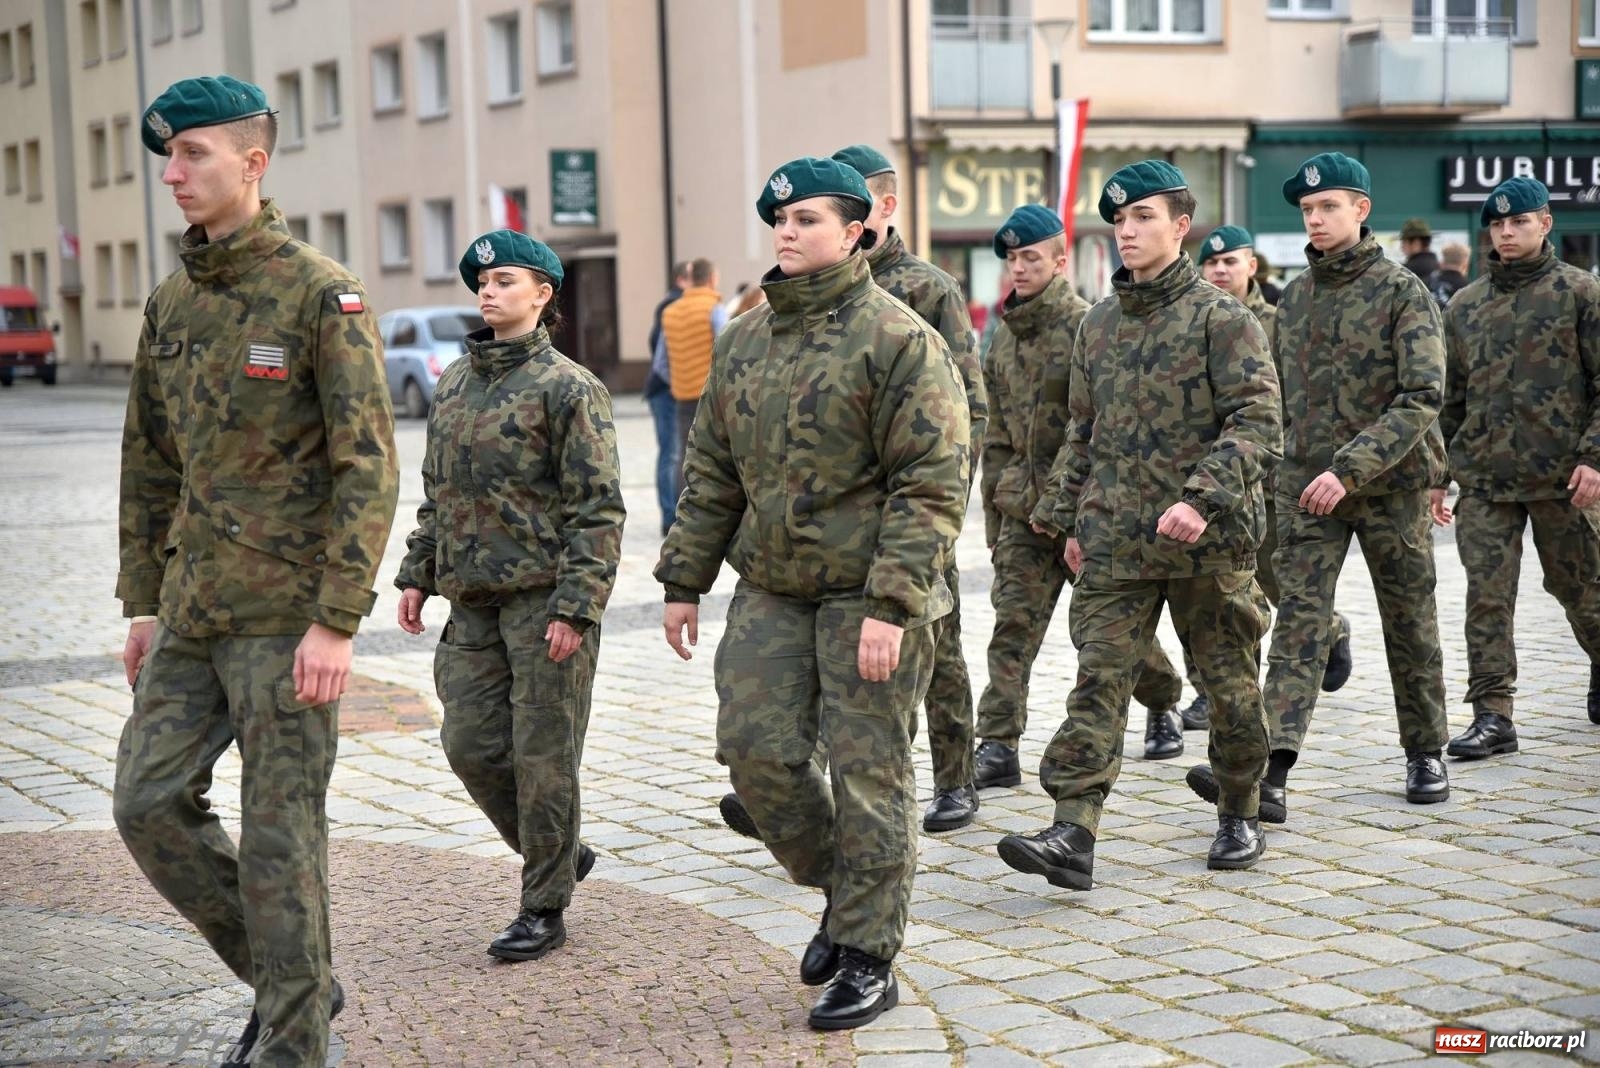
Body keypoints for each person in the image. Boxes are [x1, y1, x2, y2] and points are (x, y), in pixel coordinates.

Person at [113, 76, 398, 1068]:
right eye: (169, 155)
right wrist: (144, 604)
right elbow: (149, 462)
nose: (174, 172)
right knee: (145, 804)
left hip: (286, 618)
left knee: (281, 844)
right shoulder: (172, 300)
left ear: (253, 162)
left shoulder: (321, 292)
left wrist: (338, 619)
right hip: (192, 612)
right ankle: (299, 985)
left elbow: (368, 465)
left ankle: (292, 1043)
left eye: (194, 153)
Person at [657, 157, 968, 1030]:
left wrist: (894, 603)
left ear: (857, 229)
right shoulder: (747, 337)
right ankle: (846, 888)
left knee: (870, 773)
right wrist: (685, 577)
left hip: (868, 593)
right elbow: (713, 467)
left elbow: (933, 482)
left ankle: (868, 954)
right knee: (756, 756)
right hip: (773, 588)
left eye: (807, 221)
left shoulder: (898, 338)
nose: (787, 234)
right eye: (780, 222)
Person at [1000, 161, 1280, 889]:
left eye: (1143, 218)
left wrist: (1200, 497)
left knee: (1228, 686)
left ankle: (1240, 807)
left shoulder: (1225, 318)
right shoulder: (1097, 324)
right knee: (1098, 679)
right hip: (1115, 540)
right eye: (1118, 221)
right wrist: (1063, 518)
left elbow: (1257, 421)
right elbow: (1082, 432)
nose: (1127, 231)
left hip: (1207, 545)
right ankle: (1073, 829)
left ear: (1180, 227)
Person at [394, 229, 625, 962]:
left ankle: (544, 904)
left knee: (543, 756)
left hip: (543, 601)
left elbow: (599, 508)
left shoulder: (569, 388)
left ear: (543, 295)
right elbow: (440, 494)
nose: (489, 292)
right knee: (469, 744)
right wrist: (417, 571)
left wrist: (577, 605)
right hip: (472, 602)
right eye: (483, 282)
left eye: (506, 282)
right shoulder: (455, 382)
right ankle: (558, 850)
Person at [1254, 153, 1450, 818]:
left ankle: (1425, 749)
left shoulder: (1403, 292)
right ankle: (1273, 765)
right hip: (1309, 489)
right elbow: (1277, 397)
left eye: (1328, 206)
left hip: (1389, 488)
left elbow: (1422, 395)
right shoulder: (1296, 300)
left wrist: (1352, 467)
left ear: (1361, 211)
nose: (1315, 218)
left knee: (1409, 621)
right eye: (1308, 210)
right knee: (1299, 622)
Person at [973, 203, 1186, 790]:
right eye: (1012, 259)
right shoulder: (1002, 339)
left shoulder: (1088, 326)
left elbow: (1099, 429)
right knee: (1012, 626)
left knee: (1105, 634)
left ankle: (1164, 699)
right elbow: (997, 437)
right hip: (1022, 511)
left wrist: (1082, 514)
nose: (1019, 268)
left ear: (1060, 260)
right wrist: (995, 515)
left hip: (1084, 512)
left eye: (1031, 257)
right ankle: (996, 743)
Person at [1436, 178, 1600, 760]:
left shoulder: (1580, 293)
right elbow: (1449, 399)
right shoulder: (1465, 304)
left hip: (1564, 480)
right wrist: (1439, 474)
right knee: (1487, 596)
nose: (1507, 233)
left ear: (1545, 224)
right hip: (1485, 481)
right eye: (1498, 225)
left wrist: (1593, 458)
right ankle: (1492, 714)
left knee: (1580, 587)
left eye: (1519, 222)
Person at [1179, 226, 1353, 753]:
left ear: (1252, 264)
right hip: (1213, 479)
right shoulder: (1192, 320)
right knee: (1206, 589)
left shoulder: (1279, 321)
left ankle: (1331, 628)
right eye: (1210, 264)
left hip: (1276, 480)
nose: (1219, 271)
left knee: (1277, 585)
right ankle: (1210, 691)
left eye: (1229, 261)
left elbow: (1293, 398)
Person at [658, 257, 727, 471]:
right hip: (712, 397)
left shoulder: (670, 312)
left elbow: (660, 363)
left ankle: (682, 504)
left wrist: (679, 381)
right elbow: (727, 351)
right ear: (712, 279)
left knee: (686, 455)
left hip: (682, 397)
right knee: (718, 457)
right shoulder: (714, 309)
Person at [645, 261, 688, 534]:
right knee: (671, 454)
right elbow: (660, 354)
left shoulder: (670, 304)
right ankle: (669, 515)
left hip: (668, 388)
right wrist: (678, 384)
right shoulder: (673, 306)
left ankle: (671, 514)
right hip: (666, 390)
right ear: (683, 279)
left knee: (672, 453)